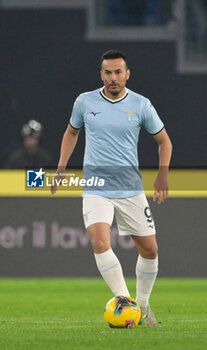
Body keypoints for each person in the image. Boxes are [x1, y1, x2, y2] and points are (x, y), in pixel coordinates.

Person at [51, 50, 172, 328]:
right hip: (95, 186)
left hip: (130, 187)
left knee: (151, 250)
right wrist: (61, 167)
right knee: (99, 241)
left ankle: (142, 306)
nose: (113, 78)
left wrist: (162, 175)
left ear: (127, 74)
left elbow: (164, 141)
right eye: (108, 72)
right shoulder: (84, 101)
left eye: (118, 72)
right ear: (101, 74)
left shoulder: (141, 105)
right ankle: (126, 303)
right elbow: (72, 132)